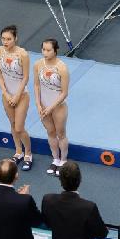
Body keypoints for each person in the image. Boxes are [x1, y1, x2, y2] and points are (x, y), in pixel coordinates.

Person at [0, 26, 33, 170]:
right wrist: (5, 93)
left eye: (9, 39)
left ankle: (28, 153)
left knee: (19, 127)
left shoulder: (22, 54)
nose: (5, 41)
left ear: (15, 39)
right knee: (12, 124)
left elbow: (26, 77)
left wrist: (16, 95)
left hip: (21, 95)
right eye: (3, 39)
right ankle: (18, 152)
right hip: (7, 95)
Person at [33, 39, 69, 176]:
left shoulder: (62, 68)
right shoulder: (37, 65)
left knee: (61, 134)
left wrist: (51, 107)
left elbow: (64, 93)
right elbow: (36, 85)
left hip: (58, 107)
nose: (45, 52)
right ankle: (55, 159)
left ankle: (63, 161)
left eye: (48, 50)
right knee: (50, 133)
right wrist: (38, 104)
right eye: (43, 50)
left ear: (55, 51)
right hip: (43, 106)